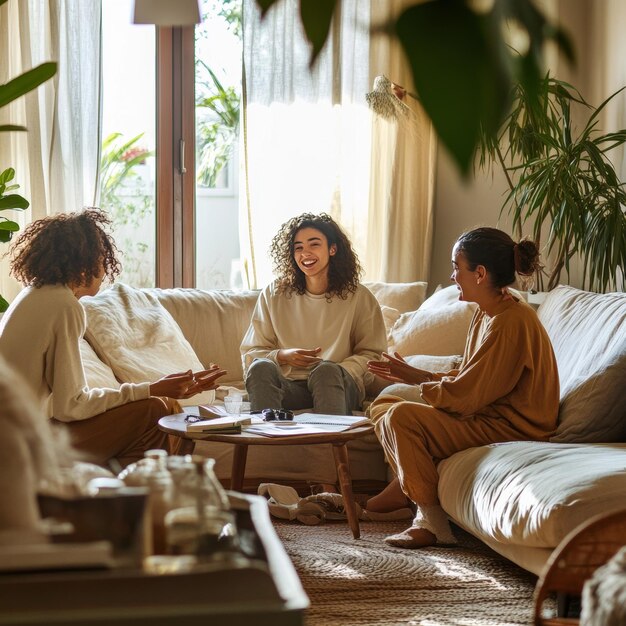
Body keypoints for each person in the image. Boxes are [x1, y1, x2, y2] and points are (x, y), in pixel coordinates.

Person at [365, 226, 559, 548]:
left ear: (480, 273)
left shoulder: (509, 323)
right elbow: (468, 376)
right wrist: (411, 373)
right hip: (485, 413)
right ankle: (404, 487)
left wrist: (415, 378)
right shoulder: (488, 312)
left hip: (512, 427)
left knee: (401, 417)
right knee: (385, 404)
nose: (453, 275)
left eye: (457, 267)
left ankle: (430, 520)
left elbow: (465, 398)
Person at [0, 208, 226, 469]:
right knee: (152, 410)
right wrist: (151, 390)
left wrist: (158, 390)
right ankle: (144, 499)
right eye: (100, 258)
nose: (104, 267)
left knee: (155, 408)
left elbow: (65, 401)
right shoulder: (62, 306)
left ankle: (128, 498)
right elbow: (71, 406)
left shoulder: (36, 294)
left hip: (19, 436)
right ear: (82, 262)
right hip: (26, 446)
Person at [241, 212, 386, 415]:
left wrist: (338, 370)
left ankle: (329, 442)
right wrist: (282, 356)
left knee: (326, 371)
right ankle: (267, 441)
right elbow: (251, 353)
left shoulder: (359, 296)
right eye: (298, 247)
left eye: (314, 244)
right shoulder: (274, 294)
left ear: (333, 249)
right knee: (260, 368)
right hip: (291, 386)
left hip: (339, 383)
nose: (305, 253)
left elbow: (373, 354)